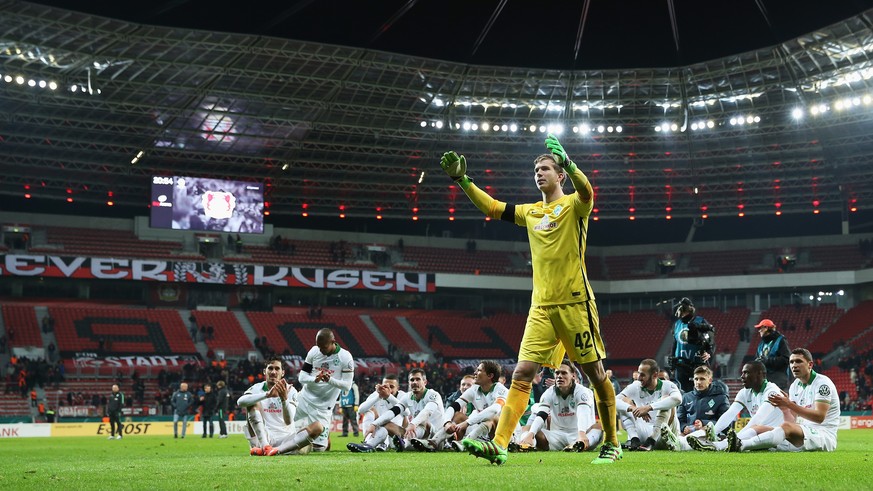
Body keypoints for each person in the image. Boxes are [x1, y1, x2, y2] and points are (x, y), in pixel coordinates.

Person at [440, 134, 620, 465]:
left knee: (596, 374)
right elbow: (492, 207)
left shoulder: (574, 206)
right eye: (536, 169)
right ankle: (500, 444)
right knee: (522, 373)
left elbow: (588, 192)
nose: (539, 173)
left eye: (546, 168)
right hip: (541, 307)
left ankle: (611, 442)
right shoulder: (531, 212)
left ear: (559, 175)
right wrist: (461, 179)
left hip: (575, 303)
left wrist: (569, 162)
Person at [723, 348, 840, 453]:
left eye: (798, 361)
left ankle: (741, 445)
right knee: (758, 428)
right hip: (804, 433)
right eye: (791, 362)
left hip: (823, 435)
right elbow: (791, 422)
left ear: (810, 365)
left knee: (785, 427)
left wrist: (789, 404)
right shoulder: (795, 386)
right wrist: (785, 409)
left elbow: (819, 417)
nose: (794, 365)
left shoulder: (822, 383)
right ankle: (720, 446)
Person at [684, 361, 783, 451]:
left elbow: (758, 419)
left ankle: (716, 446)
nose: (742, 376)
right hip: (757, 435)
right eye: (742, 373)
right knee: (708, 430)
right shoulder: (745, 392)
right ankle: (683, 442)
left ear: (760, 374)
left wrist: (738, 437)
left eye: (746, 373)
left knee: (754, 429)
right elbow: (729, 414)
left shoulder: (772, 391)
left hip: (778, 437)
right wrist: (714, 432)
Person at [411, 360, 507, 452]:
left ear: (490, 375)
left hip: (500, 436)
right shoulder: (474, 389)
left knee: (492, 417)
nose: (475, 372)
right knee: (458, 415)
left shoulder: (501, 390)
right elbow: (454, 406)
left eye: (479, 370)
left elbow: (495, 409)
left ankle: (464, 443)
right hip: (479, 431)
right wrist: (447, 422)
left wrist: (467, 423)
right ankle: (434, 442)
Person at [237, 357, 323, 456]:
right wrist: (267, 395)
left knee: (317, 427)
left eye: (277, 369)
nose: (273, 372)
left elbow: (288, 421)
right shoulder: (257, 388)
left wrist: (284, 400)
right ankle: (266, 446)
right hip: (263, 438)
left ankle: (276, 450)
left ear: (282, 373)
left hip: (286, 439)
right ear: (264, 371)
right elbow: (240, 402)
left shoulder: (290, 391)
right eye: (270, 368)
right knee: (251, 402)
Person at [514, 361, 603, 452]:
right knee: (527, 429)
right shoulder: (549, 393)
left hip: (581, 434)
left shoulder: (582, 392)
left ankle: (579, 444)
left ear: (573, 375)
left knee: (599, 426)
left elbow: (582, 414)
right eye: (557, 373)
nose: (560, 376)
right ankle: (526, 445)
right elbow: (541, 415)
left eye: (564, 373)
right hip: (556, 436)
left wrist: (582, 434)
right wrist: (531, 434)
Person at [295, 328, 355, 451]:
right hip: (304, 398)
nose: (321, 350)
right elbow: (302, 377)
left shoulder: (345, 357)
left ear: (333, 341)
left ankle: (323, 438)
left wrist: (330, 380)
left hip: (323, 407)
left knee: (319, 449)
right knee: (281, 421)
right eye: (319, 347)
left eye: (324, 347)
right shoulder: (314, 351)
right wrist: (314, 379)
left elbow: (347, 386)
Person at [371, 368, 444, 452]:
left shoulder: (433, 395)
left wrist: (413, 424)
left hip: (436, 437)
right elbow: (394, 411)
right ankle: (369, 445)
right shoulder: (407, 397)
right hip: (416, 434)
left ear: (425, 382)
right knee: (386, 423)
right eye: (412, 380)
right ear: (409, 383)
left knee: (423, 421)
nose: (414, 382)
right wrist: (374, 424)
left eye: (418, 379)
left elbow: (427, 411)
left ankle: (405, 444)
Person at [616, 358, 682, 451]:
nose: (639, 377)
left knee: (666, 400)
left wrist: (649, 407)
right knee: (624, 405)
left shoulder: (667, 385)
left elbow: (678, 399)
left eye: (642, 375)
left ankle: (652, 440)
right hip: (644, 435)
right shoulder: (635, 386)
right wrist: (632, 408)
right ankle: (634, 439)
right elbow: (614, 401)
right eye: (639, 373)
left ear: (655, 375)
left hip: (665, 434)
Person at [662, 366, 730, 451]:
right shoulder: (686, 397)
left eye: (702, 379)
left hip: (711, 434)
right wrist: (684, 427)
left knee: (707, 428)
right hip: (689, 432)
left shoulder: (721, 398)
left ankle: (679, 443)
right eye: (696, 379)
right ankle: (679, 440)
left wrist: (704, 423)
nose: (698, 382)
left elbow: (726, 423)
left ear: (710, 380)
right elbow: (680, 419)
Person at [348, 374, 407, 453]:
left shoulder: (403, 396)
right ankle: (368, 442)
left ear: (398, 388)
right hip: (378, 432)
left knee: (386, 424)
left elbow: (407, 412)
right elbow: (360, 410)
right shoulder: (377, 394)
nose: (388, 389)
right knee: (369, 411)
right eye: (385, 386)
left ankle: (373, 445)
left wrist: (389, 396)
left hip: (395, 436)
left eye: (391, 387)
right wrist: (378, 396)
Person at [670, 297, 715, 393]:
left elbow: (710, 340)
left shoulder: (700, 321)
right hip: (681, 364)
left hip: (697, 364)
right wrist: (672, 361)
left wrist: (708, 353)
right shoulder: (677, 324)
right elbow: (675, 343)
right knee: (683, 393)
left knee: (700, 391)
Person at [754, 319, 791, 390]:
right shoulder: (761, 344)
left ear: (766, 328)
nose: (759, 331)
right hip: (764, 381)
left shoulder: (781, 340)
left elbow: (786, 359)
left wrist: (767, 361)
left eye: (760, 328)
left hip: (779, 382)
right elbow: (757, 359)